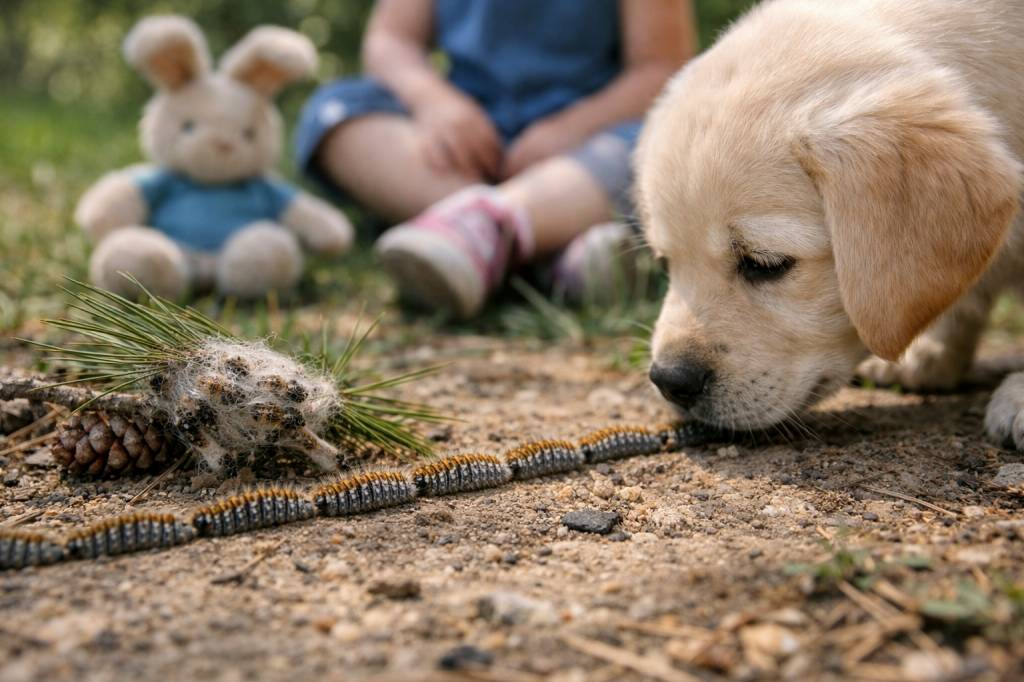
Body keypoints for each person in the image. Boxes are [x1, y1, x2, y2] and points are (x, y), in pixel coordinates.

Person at [296, 0, 695, 318]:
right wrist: (433, 101)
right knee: (335, 112)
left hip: (585, 145)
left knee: (656, 141)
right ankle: (541, 248)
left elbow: (660, 68)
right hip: (467, 140)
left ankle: (488, 229)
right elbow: (391, 41)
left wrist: (568, 129)